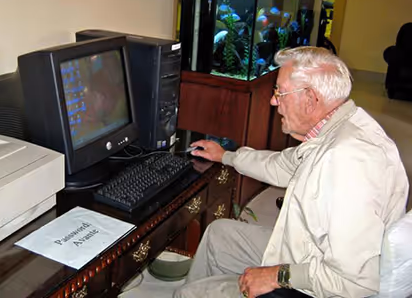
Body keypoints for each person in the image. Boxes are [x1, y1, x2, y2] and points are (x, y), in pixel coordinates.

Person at [174, 47, 409, 298]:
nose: (274, 100)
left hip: (322, 286)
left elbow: (355, 280)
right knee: (218, 235)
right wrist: (225, 156)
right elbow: (282, 166)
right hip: (311, 253)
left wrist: (277, 275)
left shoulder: (348, 163)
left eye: (280, 92)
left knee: (190, 294)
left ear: (310, 98)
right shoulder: (335, 128)